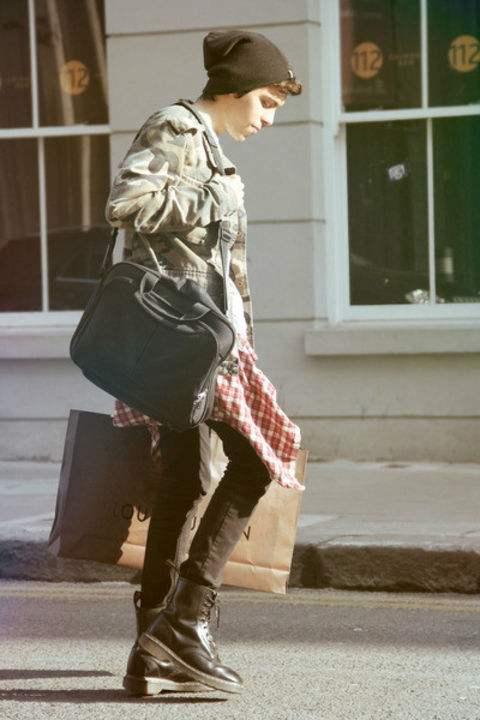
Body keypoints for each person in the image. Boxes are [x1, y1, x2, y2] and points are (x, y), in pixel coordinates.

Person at [105, 29, 303, 696]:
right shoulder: (177, 127)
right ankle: (185, 621)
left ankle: (152, 650)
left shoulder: (207, 143)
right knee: (264, 453)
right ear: (235, 88)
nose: (268, 119)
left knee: (184, 481)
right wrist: (215, 199)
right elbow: (126, 203)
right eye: (267, 102)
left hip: (199, 336)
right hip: (182, 335)